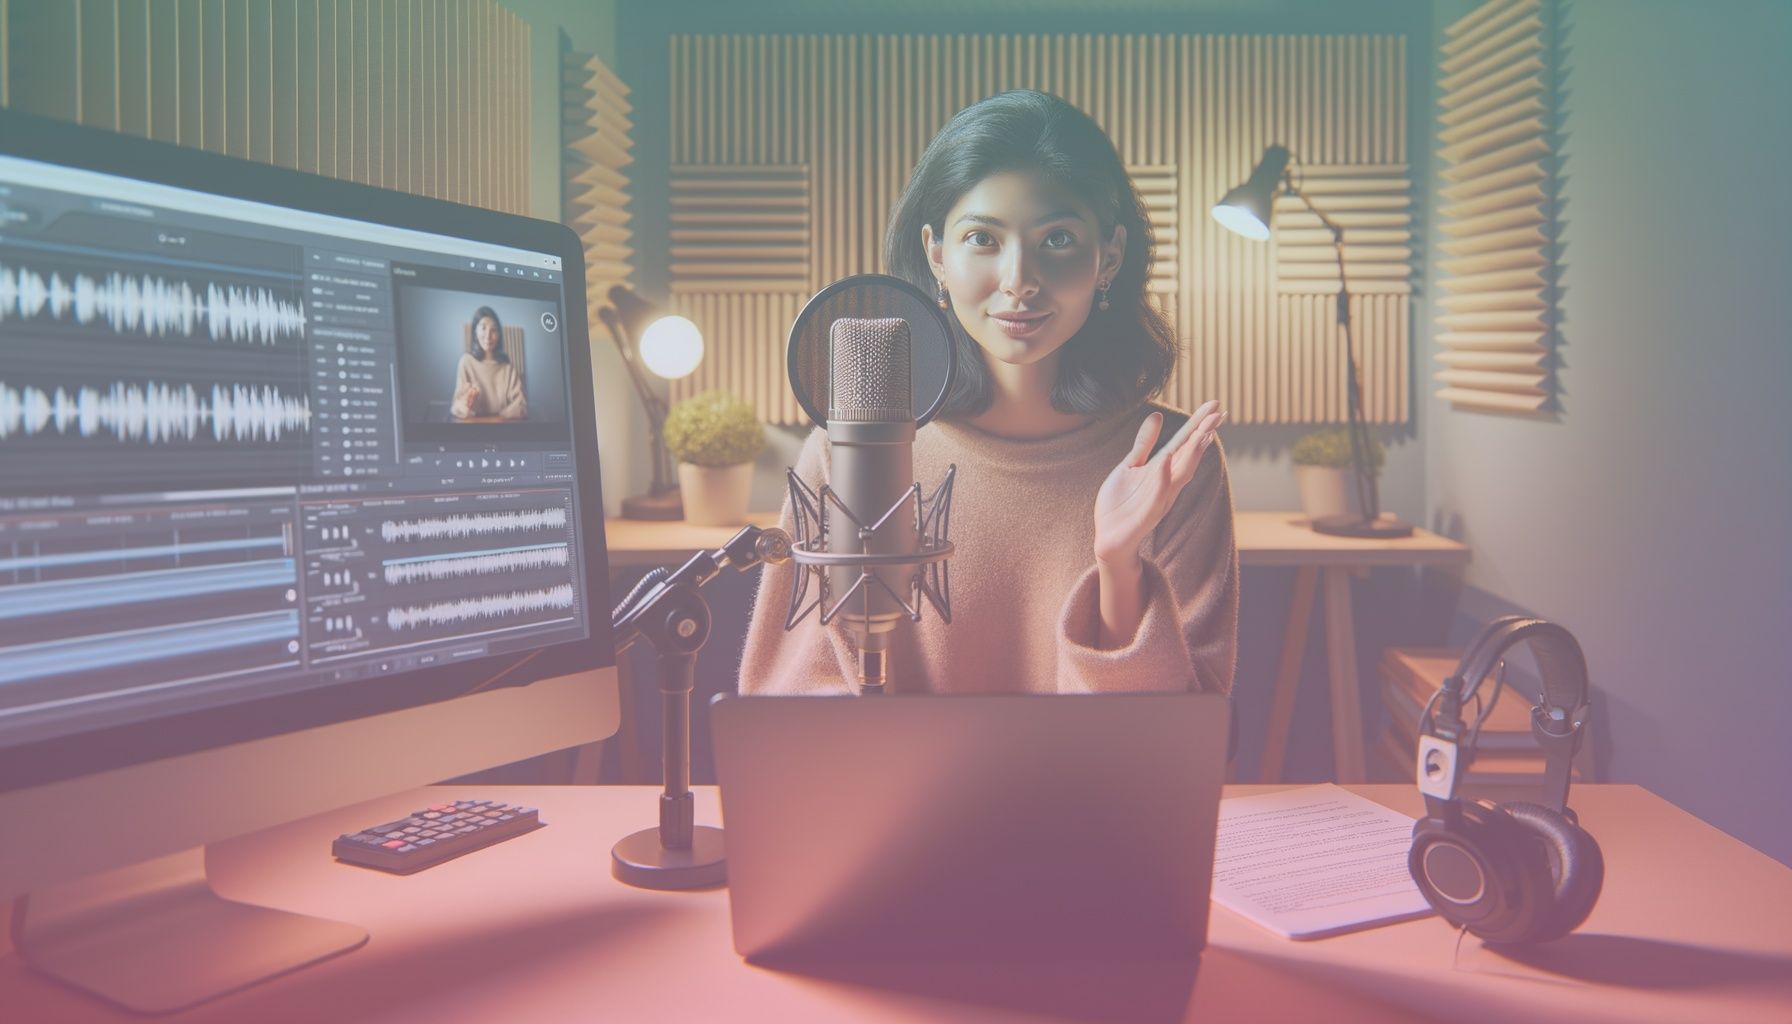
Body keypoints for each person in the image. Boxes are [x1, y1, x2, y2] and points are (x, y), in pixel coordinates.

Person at [739, 89, 1238, 697]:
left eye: (1057, 239)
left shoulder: (1172, 465)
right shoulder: (844, 449)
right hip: (905, 795)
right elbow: (789, 711)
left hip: (1093, 795)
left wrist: (1119, 567)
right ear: (936, 256)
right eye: (982, 238)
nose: (1019, 281)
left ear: (1109, 257)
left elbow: (1180, 735)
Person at [450, 305, 528, 420]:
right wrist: (466, 402)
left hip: (502, 427)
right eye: (483, 328)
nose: (488, 336)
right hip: (473, 429)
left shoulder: (507, 367)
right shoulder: (466, 362)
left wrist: (497, 419)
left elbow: (521, 406)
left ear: (499, 335)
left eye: (494, 330)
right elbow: (456, 407)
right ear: (475, 331)